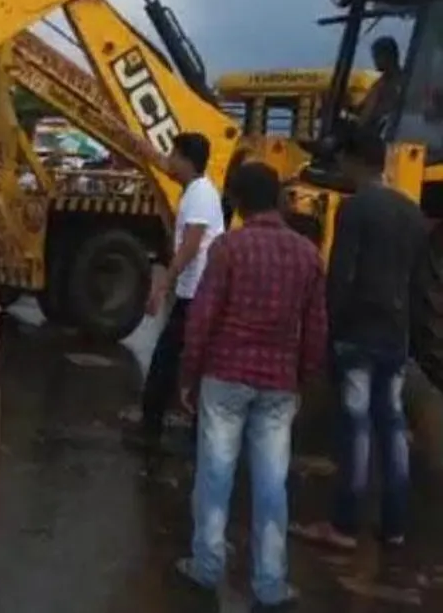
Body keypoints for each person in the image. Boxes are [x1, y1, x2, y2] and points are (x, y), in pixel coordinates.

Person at [175, 162, 327, 610]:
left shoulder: (228, 249)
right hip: (279, 384)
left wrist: (188, 374)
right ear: (278, 199)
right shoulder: (307, 255)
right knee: (271, 482)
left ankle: (206, 564)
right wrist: (304, 378)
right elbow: (316, 328)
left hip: (224, 377)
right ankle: (270, 582)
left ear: (238, 203)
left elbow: (202, 319)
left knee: (216, 473)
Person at [292, 130, 443, 552]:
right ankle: (394, 527)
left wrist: (328, 332)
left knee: (355, 424)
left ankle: (343, 525)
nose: (340, 169)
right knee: (391, 424)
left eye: (343, 162)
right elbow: (418, 282)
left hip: (357, 332)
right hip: (396, 336)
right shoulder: (412, 214)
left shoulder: (356, 209)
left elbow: (342, 275)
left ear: (357, 162)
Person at [133, 132, 226, 456]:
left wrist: (163, 284)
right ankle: (169, 425)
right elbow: (163, 164)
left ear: (187, 160)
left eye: (173, 155)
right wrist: (140, 145)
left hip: (196, 293)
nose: (168, 160)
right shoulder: (196, 189)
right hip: (195, 291)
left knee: (169, 358)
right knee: (178, 358)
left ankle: (155, 426)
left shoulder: (200, 195)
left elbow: (190, 244)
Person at [357, 36, 403, 135]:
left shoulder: (402, 83)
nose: (375, 61)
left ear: (388, 56)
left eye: (377, 56)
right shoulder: (380, 83)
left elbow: (389, 112)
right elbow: (363, 107)